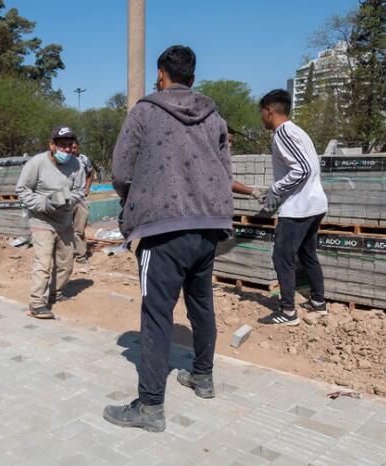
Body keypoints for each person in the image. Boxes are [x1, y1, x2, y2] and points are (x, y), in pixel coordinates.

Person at [103, 45, 234, 433]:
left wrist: (137, 200)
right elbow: (225, 171)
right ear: (192, 79)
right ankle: (202, 376)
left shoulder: (144, 112)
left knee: (157, 315)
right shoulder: (215, 120)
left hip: (163, 229)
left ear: (161, 74)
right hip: (209, 227)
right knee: (201, 304)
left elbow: (122, 171)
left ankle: (150, 406)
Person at [256, 89, 329, 326]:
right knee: (307, 253)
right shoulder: (298, 131)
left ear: (269, 111)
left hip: (299, 207)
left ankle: (288, 312)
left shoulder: (283, 133)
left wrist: (276, 190)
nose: (262, 118)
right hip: (314, 204)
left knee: (282, 256)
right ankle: (318, 302)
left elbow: (303, 169)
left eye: (262, 113)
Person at [16, 125, 88, 319]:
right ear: (52, 145)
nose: (66, 149)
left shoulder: (77, 165)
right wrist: (44, 203)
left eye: (69, 145)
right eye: (62, 145)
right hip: (42, 219)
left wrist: (66, 200)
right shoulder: (36, 163)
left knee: (66, 261)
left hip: (64, 219)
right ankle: (37, 303)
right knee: (44, 261)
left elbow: (80, 190)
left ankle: (55, 293)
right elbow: (22, 190)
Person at [71, 141, 97, 263]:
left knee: (80, 227)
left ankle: (80, 256)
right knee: (63, 227)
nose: (72, 150)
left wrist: (87, 188)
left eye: (75, 147)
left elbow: (90, 173)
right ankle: (66, 254)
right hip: (64, 197)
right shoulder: (61, 159)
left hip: (80, 198)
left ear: (78, 147)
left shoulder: (84, 159)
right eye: (70, 147)